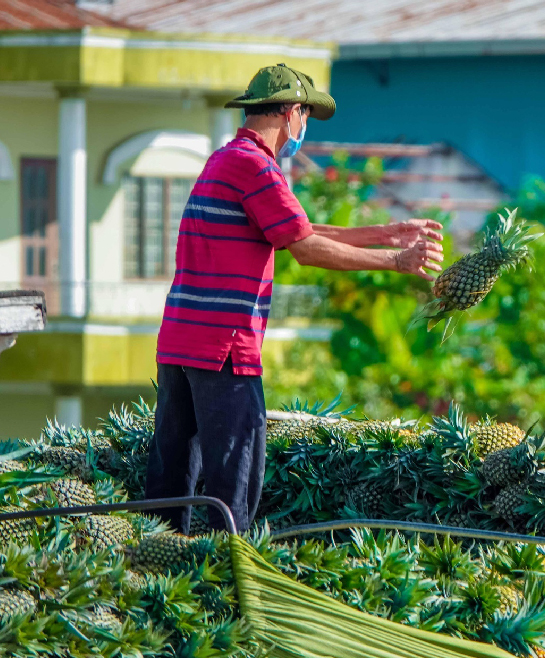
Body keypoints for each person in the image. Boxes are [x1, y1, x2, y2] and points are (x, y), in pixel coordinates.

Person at [147, 64, 444, 533]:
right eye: (305, 115)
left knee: (171, 485)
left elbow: (295, 229)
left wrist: (388, 232)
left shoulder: (228, 159)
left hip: (182, 342)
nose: (303, 126)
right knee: (234, 489)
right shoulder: (256, 165)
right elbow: (304, 248)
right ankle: (228, 584)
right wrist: (395, 262)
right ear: (292, 113)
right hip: (225, 347)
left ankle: (155, 574)